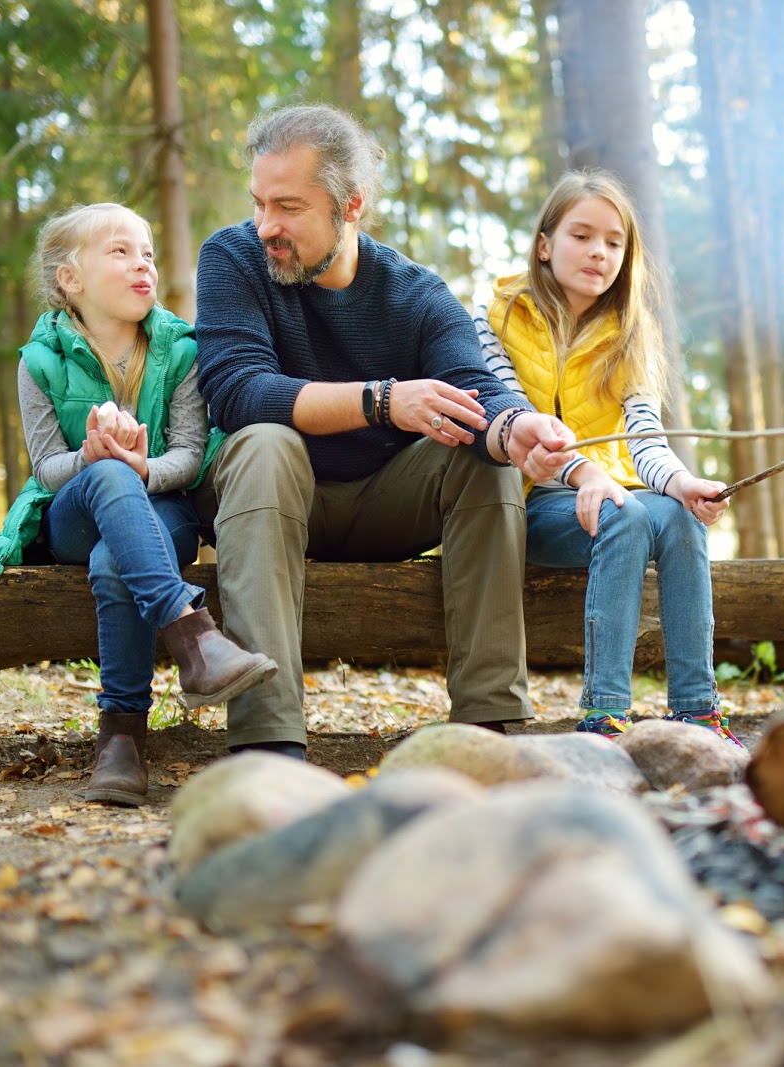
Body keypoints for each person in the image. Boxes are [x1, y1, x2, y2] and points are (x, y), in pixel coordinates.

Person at [193, 104, 575, 760]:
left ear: (352, 205)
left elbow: (478, 390)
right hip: (268, 495)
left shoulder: (416, 292)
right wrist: (382, 401)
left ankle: (490, 732)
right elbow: (236, 392)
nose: (266, 227)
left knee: (486, 456)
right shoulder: (232, 258)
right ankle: (268, 743)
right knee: (262, 439)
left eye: (288, 207)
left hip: (384, 502)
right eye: (259, 203)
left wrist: (519, 426)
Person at [0, 203, 278, 807]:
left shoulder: (182, 352)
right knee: (109, 475)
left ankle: (121, 739)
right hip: (73, 514)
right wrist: (96, 459)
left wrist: (143, 467)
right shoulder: (39, 362)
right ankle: (194, 637)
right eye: (119, 252)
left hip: (162, 509)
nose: (141, 263)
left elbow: (191, 457)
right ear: (71, 278)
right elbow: (46, 467)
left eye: (146, 251)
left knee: (115, 562)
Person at [476, 170, 741, 746]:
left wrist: (683, 485)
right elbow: (520, 426)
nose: (599, 251)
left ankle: (697, 709)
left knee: (676, 515)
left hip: (606, 496)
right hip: (518, 502)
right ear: (544, 245)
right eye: (581, 235)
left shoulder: (630, 333)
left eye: (614, 242)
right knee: (624, 513)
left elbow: (644, 438)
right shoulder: (495, 317)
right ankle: (606, 715)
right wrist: (586, 473)